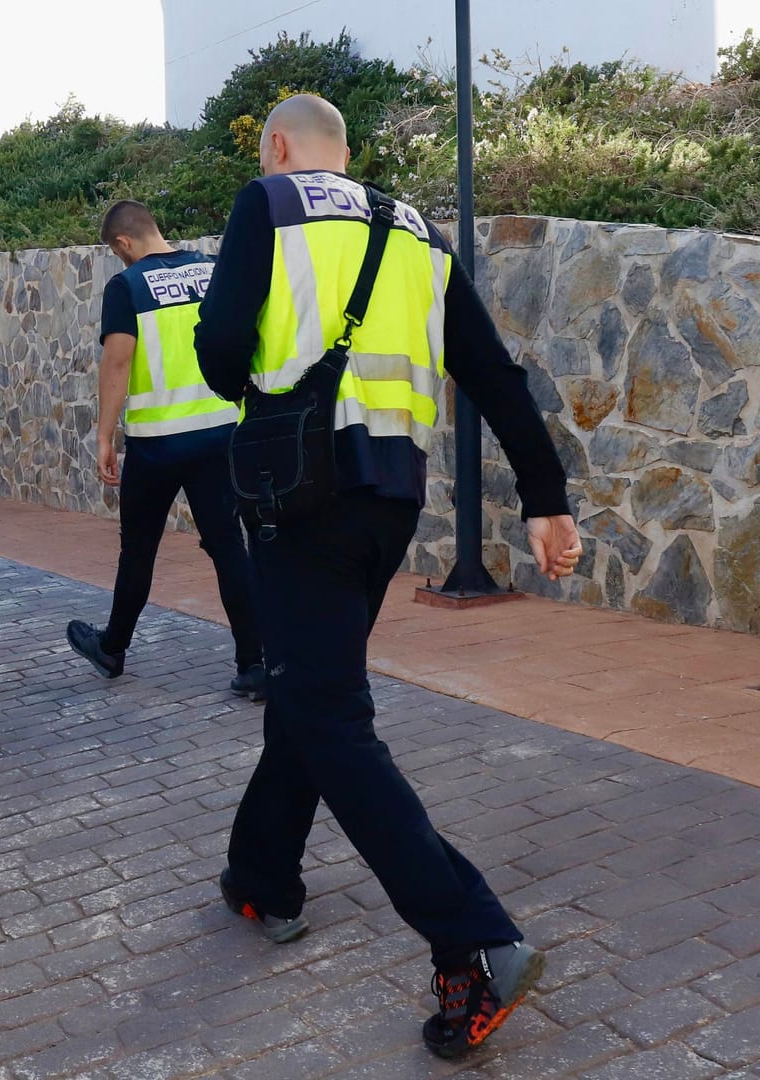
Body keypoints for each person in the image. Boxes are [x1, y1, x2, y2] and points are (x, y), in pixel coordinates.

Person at [194, 94, 584, 1061]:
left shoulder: (268, 203)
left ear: (278, 146)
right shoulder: (418, 228)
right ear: (350, 154)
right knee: (310, 688)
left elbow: (215, 356)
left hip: (300, 493)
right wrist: (546, 497)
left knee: (326, 713)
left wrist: (267, 379)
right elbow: (492, 373)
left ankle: (475, 940)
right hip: (389, 498)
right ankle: (261, 873)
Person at [66, 201, 264, 699]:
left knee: (139, 548)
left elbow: (118, 362)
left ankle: (112, 648)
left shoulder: (127, 286)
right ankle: (254, 664)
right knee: (228, 549)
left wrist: (105, 436)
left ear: (122, 244)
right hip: (220, 432)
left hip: (157, 444)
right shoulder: (212, 269)